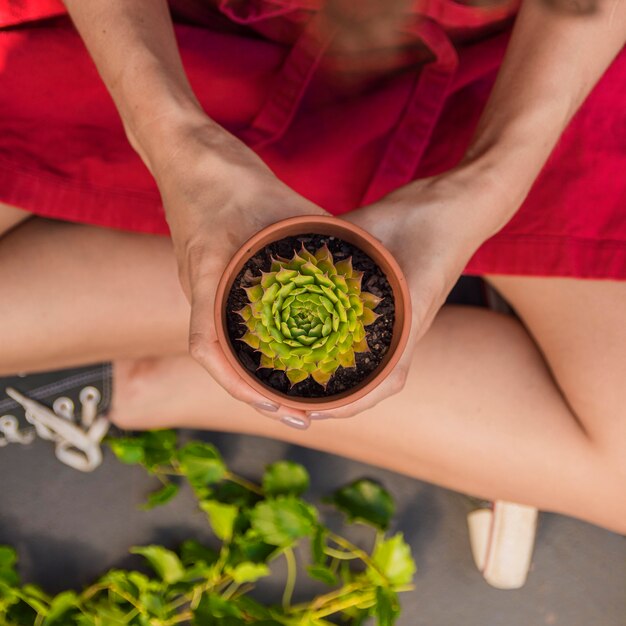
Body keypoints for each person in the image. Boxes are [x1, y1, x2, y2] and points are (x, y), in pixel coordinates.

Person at [0, 0, 625, 541]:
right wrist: (172, 137)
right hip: (172, 47)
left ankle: (132, 376)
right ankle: (162, 328)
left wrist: (494, 178)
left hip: (520, 71)